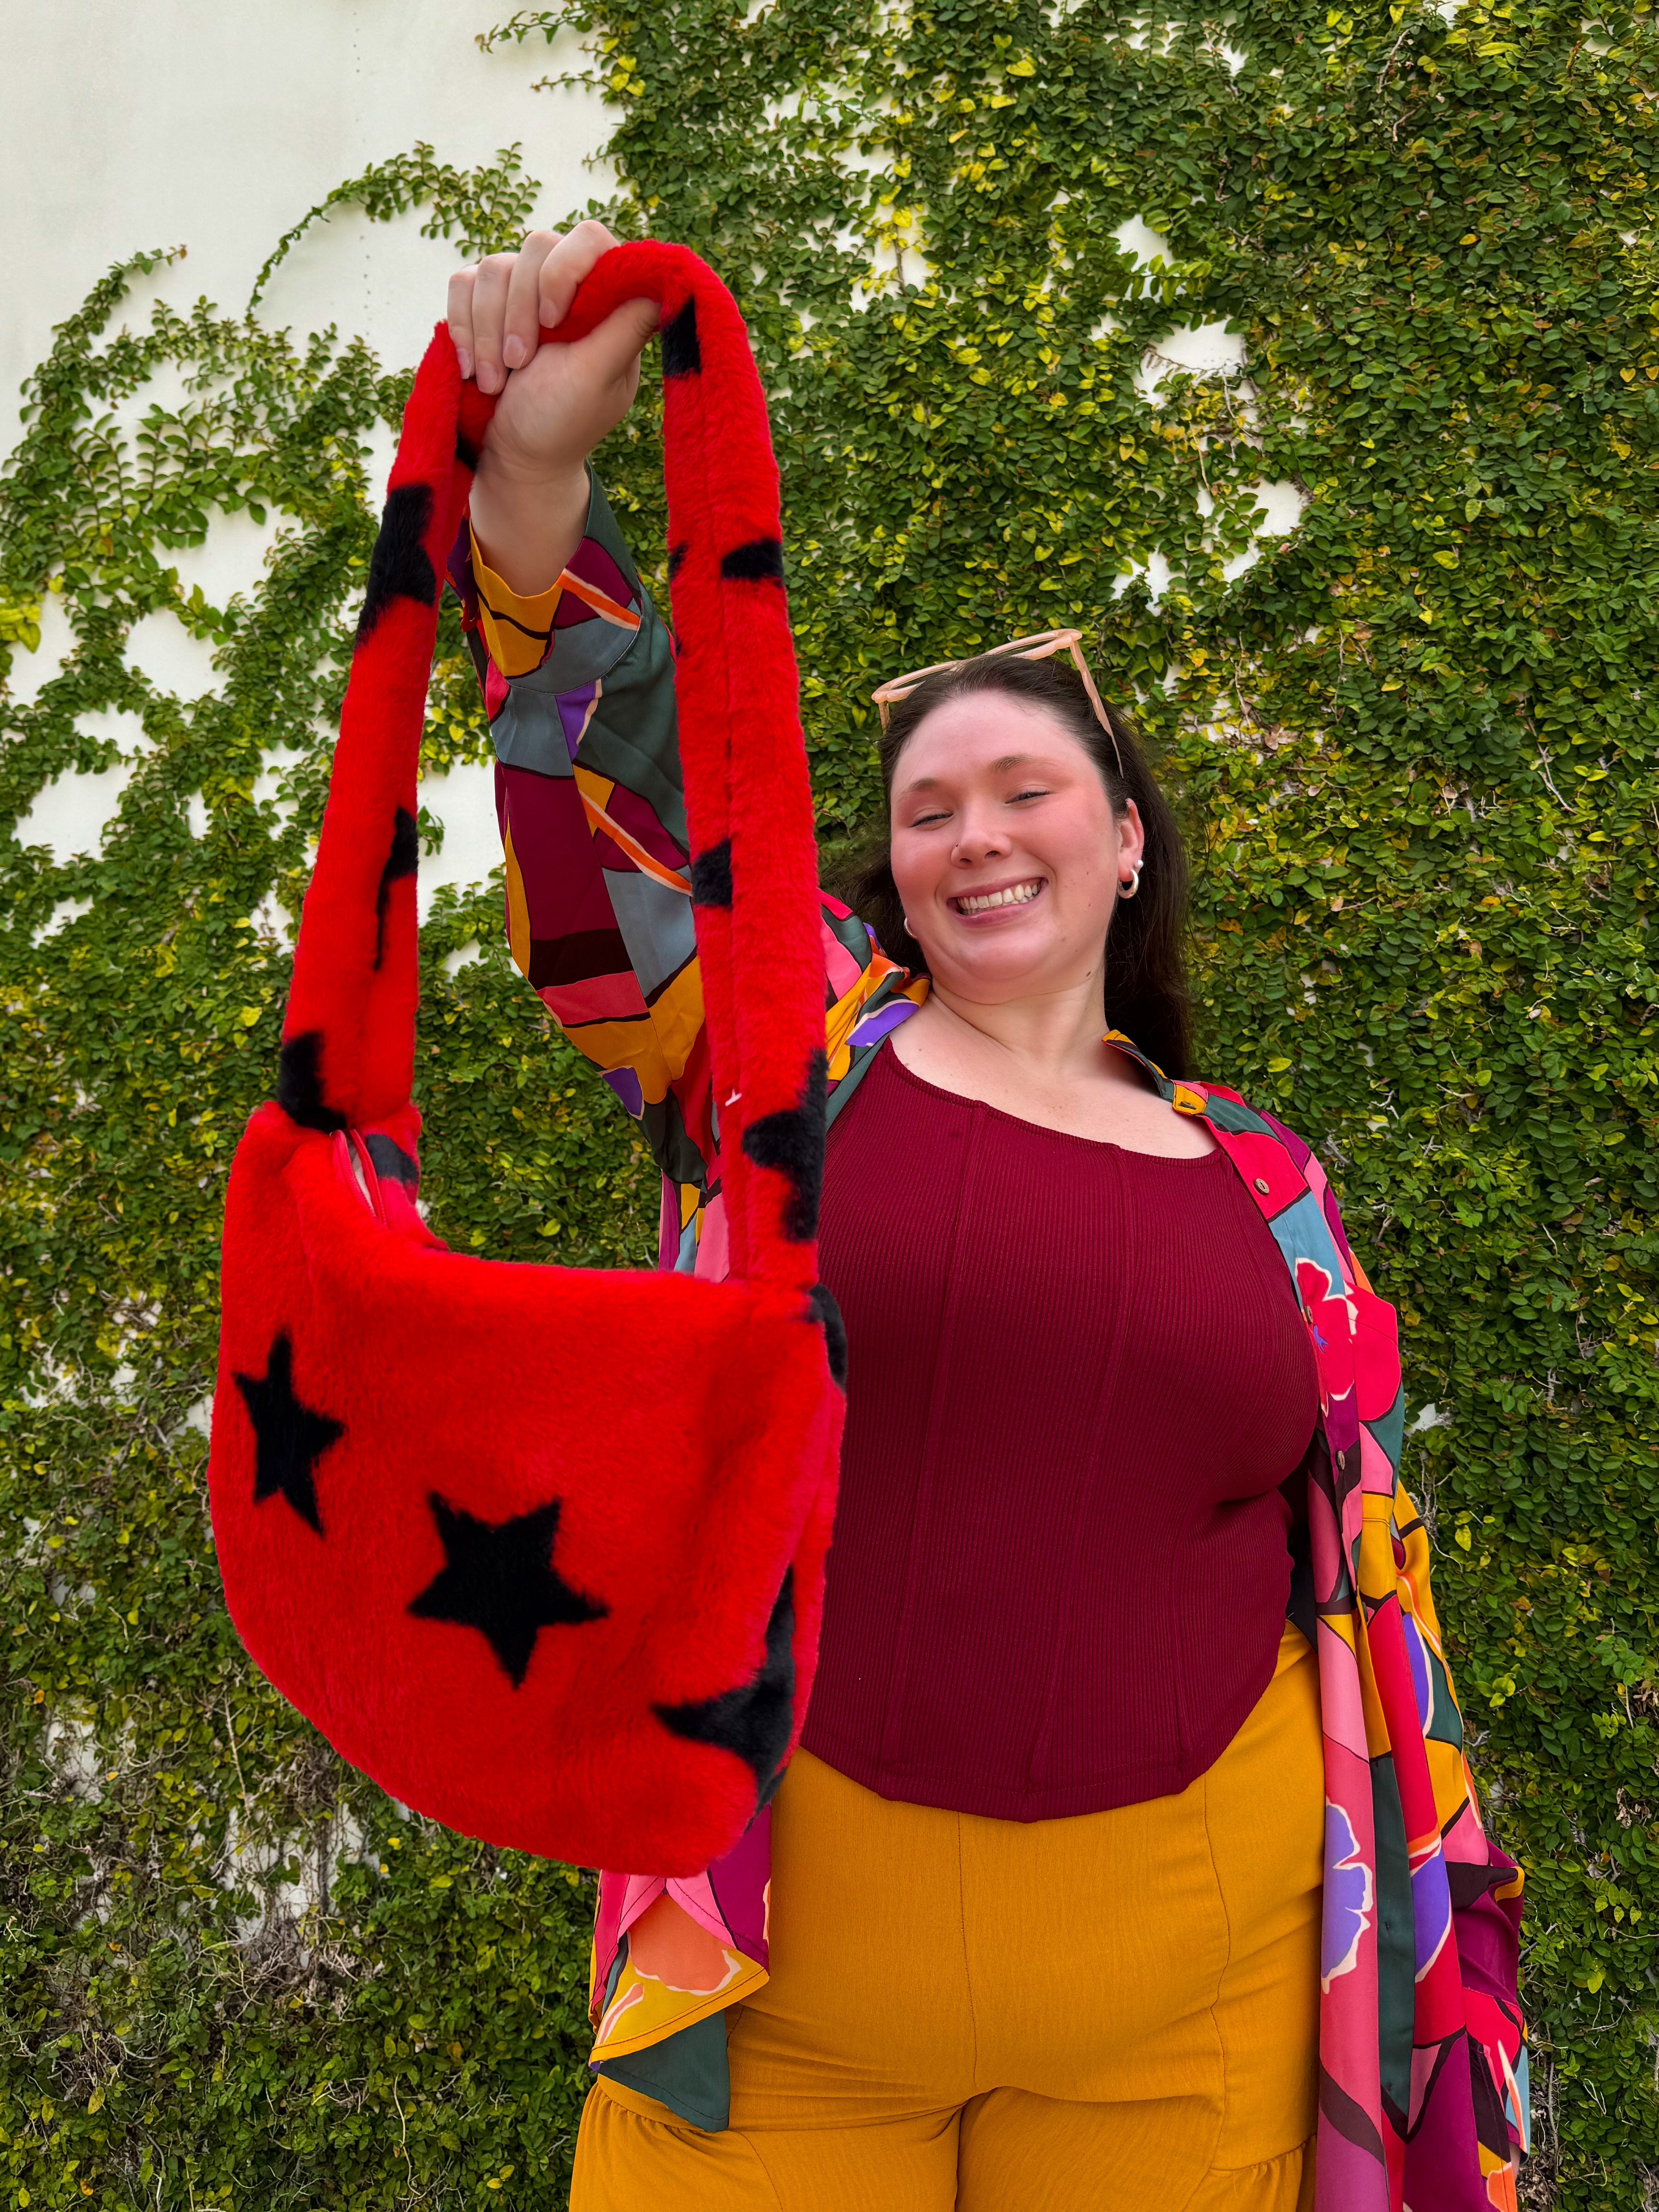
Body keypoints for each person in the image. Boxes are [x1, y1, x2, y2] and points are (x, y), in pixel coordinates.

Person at [437, 222, 1527, 2211]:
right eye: (926, 807)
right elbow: (612, 809)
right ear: (892, 875)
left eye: (1022, 788)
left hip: (1191, 1966)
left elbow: (1354, 1567)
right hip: (791, 1961)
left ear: (1120, 840)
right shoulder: (796, 1059)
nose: (969, 832)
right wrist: (532, 485)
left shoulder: (1273, 1182)